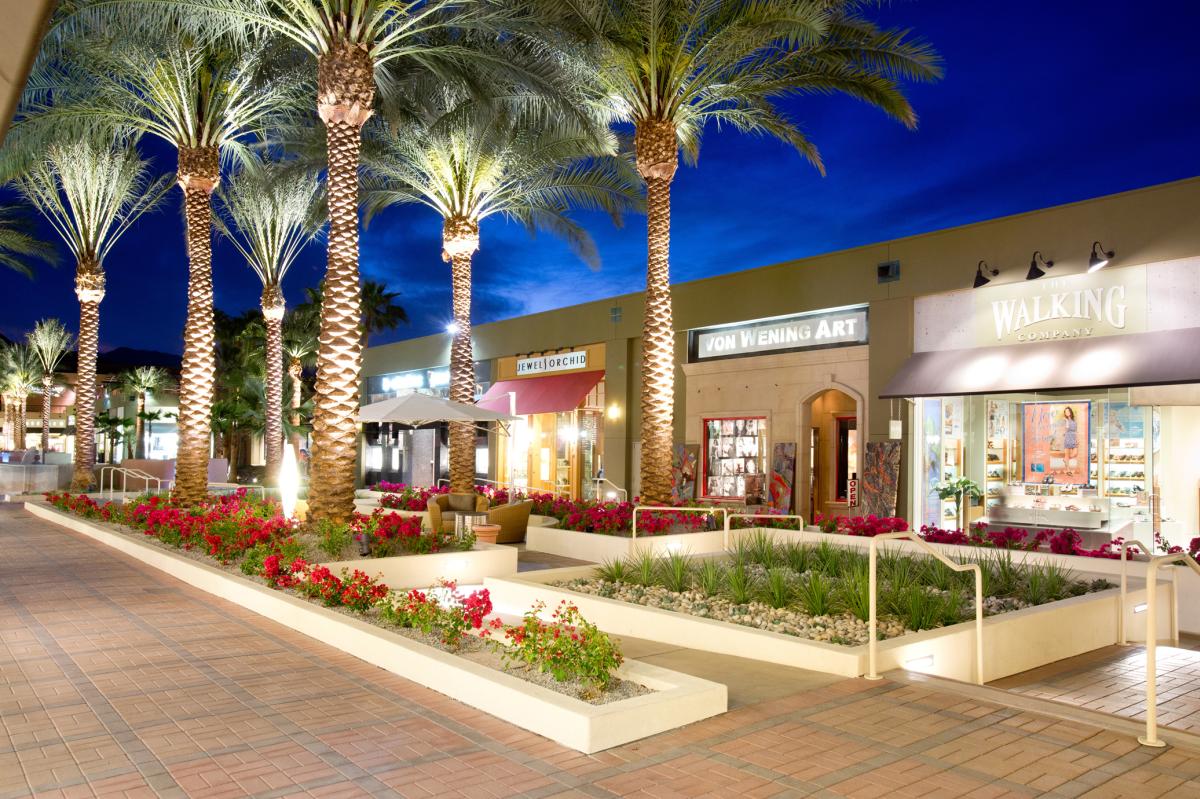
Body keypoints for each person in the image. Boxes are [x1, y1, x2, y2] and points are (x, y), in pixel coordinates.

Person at [1061, 406, 1079, 480]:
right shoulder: (1065, 420)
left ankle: (1065, 460)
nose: (1067, 412)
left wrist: (1077, 439)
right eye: (1065, 412)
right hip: (1068, 437)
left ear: (1070, 412)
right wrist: (1066, 421)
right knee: (1067, 455)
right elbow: (1066, 428)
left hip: (1073, 436)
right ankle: (1068, 470)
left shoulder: (1074, 420)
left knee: (1074, 453)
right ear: (1065, 413)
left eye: (1068, 411)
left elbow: (1076, 430)